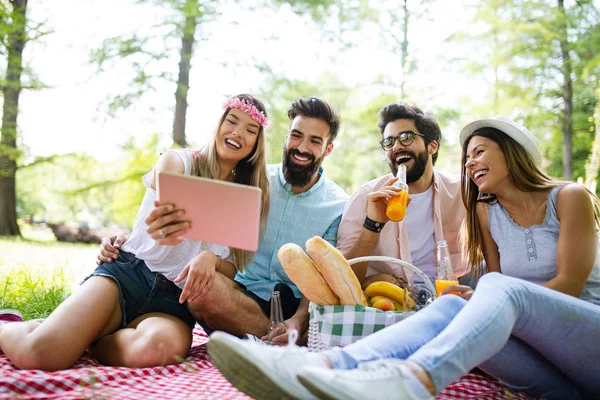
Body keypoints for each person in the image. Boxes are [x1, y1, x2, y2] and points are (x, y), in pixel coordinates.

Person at [205, 116, 600, 400]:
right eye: (467, 157)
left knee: (494, 289)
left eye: (480, 151)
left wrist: (488, 299)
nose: (470, 162)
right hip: (553, 376)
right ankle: (319, 369)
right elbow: (494, 282)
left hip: (587, 347)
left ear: (512, 153)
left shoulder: (568, 197)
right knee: (450, 306)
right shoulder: (484, 210)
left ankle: (411, 382)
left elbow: (567, 287)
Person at [0, 93, 271, 371]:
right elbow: (168, 197)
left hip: (174, 304)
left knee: (158, 350)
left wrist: (210, 261)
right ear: (219, 124)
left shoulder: (249, 198)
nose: (238, 133)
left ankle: (91, 336)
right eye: (232, 121)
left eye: (250, 130)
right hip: (129, 276)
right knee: (38, 356)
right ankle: (6, 326)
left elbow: (231, 268)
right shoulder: (180, 161)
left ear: (256, 144)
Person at [97, 97, 349, 344]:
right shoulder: (252, 183)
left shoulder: (337, 205)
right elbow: (186, 219)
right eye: (296, 135)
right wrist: (127, 240)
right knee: (202, 288)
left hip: (292, 304)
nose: (302, 147)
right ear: (286, 137)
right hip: (238, 298)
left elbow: (321, 276)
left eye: (315, 141)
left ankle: (285, 335)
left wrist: (299, 320)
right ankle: (284, 340)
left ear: (328, 149)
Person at [336, 103, 469, 286]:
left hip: (448, 295)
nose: (397, 146)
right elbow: (342, 279)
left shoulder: (461, 192)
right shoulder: (366, 197)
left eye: (406, 137)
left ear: (432, 146)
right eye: (389, 142)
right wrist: (373, 224)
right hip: (390, 304)